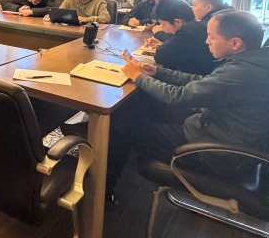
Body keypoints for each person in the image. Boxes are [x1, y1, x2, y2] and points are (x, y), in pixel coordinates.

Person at [108, 11, 269, 201]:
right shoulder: (254, 62)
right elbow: (203, 81)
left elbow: (178, 96)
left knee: (119, 124)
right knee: (143, 101)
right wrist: (158, 72)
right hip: (216, 132)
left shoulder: (240, 73)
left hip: (213, 153)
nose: (207, 41)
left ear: (235, 43)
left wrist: (138, 77)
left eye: (211, 37)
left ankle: (103, 192)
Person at [143, 0, 215, 75]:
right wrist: (163, 44)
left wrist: (165, 46)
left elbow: (160, 56)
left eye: (164, 24)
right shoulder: (200, 26)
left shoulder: (187, 32)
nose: (164, 28)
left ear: (178, 22)